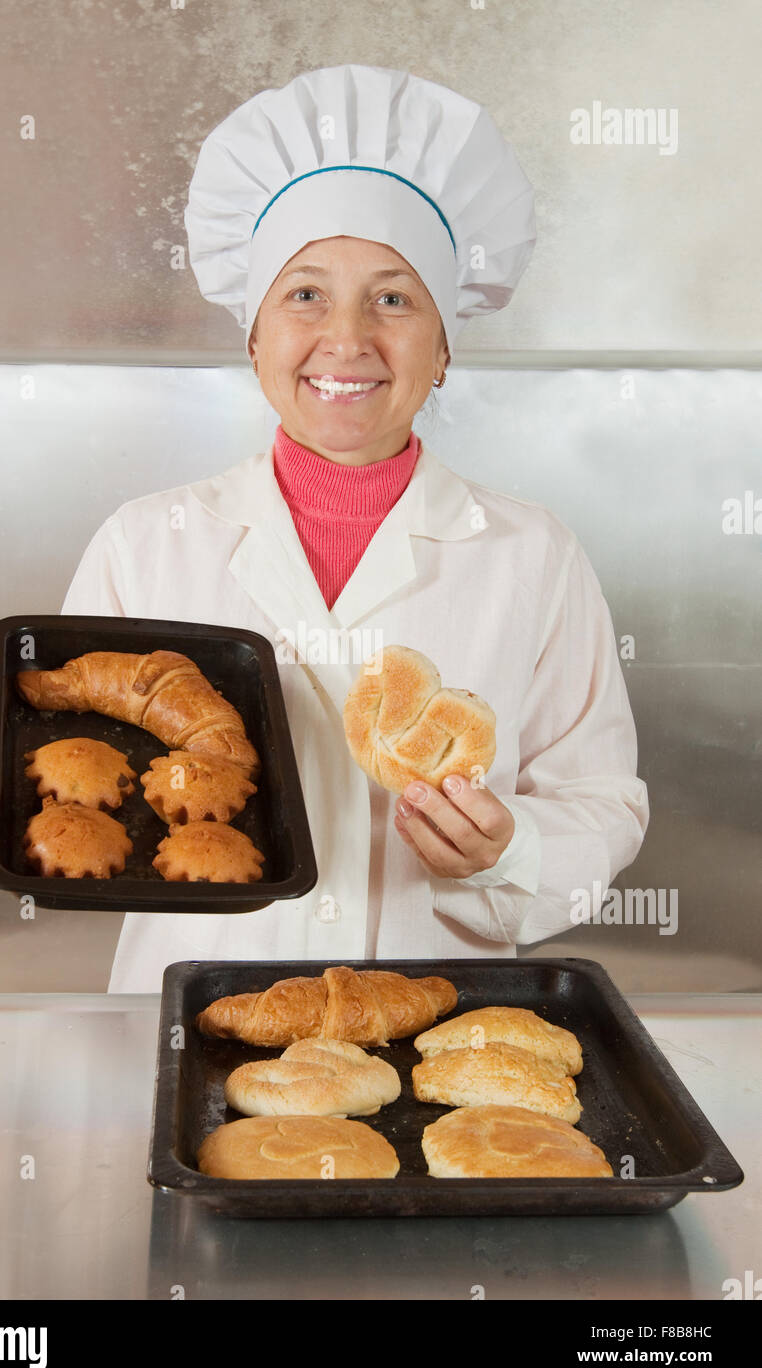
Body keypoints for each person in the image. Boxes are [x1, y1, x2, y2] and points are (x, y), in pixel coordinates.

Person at [61, 64, 649, 992]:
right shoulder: (145, 545)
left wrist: (507, 852)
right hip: (189, 1029)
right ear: (252, 335)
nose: (346, 339)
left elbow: (601, 800)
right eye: (303, 295)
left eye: (394, 298)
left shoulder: (533, 554)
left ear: (445, 345)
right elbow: (81, 773)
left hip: (435, 1038)